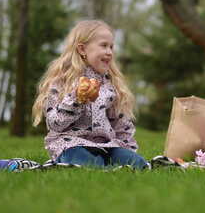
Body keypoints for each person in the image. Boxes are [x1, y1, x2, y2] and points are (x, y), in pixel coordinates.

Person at [32, 20, 148, 170]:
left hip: (106, 145)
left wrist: (127, 148)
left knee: (138, 164)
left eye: (111, 47)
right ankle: (94, 165)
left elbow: (119, 121)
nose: (109, 52)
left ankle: (113, 162)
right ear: (82, 49)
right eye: (104, 45)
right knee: (92, 166)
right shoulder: (62, 82)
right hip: (71, 144)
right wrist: (76, 99)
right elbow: (55, 124)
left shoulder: (109, 84)